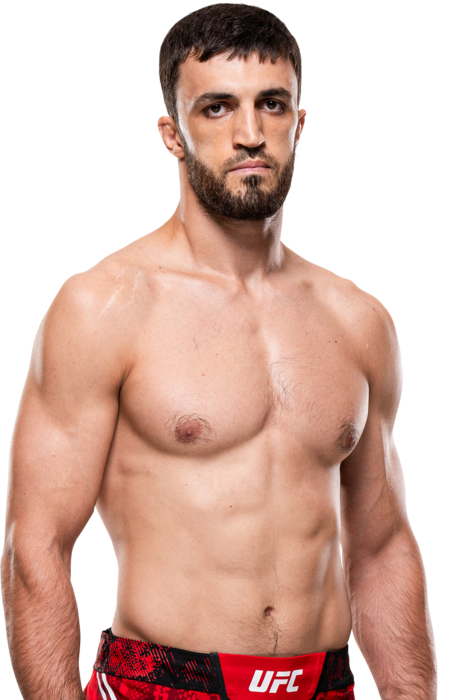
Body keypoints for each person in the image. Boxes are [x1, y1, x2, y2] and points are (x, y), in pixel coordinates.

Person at [1, 3, 437, 699]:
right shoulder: (104, 307)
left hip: (324, 684)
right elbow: (37, 547)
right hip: (164, 683)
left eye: (271, 104)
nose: (249, 134)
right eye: (217, 108)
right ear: (172, 134)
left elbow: (382, 547)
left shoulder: (359, 320)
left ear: (299, 123)